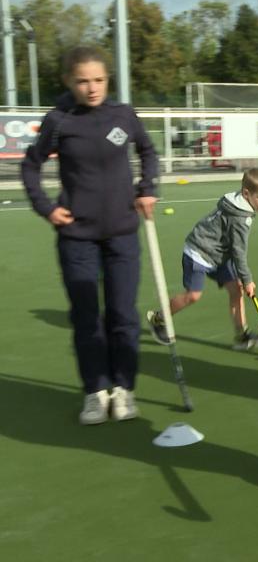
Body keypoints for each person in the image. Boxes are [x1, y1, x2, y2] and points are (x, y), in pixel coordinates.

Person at [21, 45, 158, 425]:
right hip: (77, 236)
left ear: (107, 80)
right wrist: (46, 207)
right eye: (82, 81)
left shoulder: (123, 115)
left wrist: (148, 187)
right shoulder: (59, 120)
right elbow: (31, 168)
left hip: (122, 235)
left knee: (122, 314)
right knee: (86, 318)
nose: (92, 88)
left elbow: (148, 151)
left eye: (98, 80)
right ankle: (95, 392)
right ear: (68, 81)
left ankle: (123, 389)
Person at [146, 169, 258, 352]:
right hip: (198, 252)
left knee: (235, 289)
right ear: (246, 193)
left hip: (219, 254)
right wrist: (247, 279)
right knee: (193, 296)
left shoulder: (239, 202)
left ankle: (242, 335)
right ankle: (157, 318)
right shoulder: (240, 218)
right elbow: (239, 252)